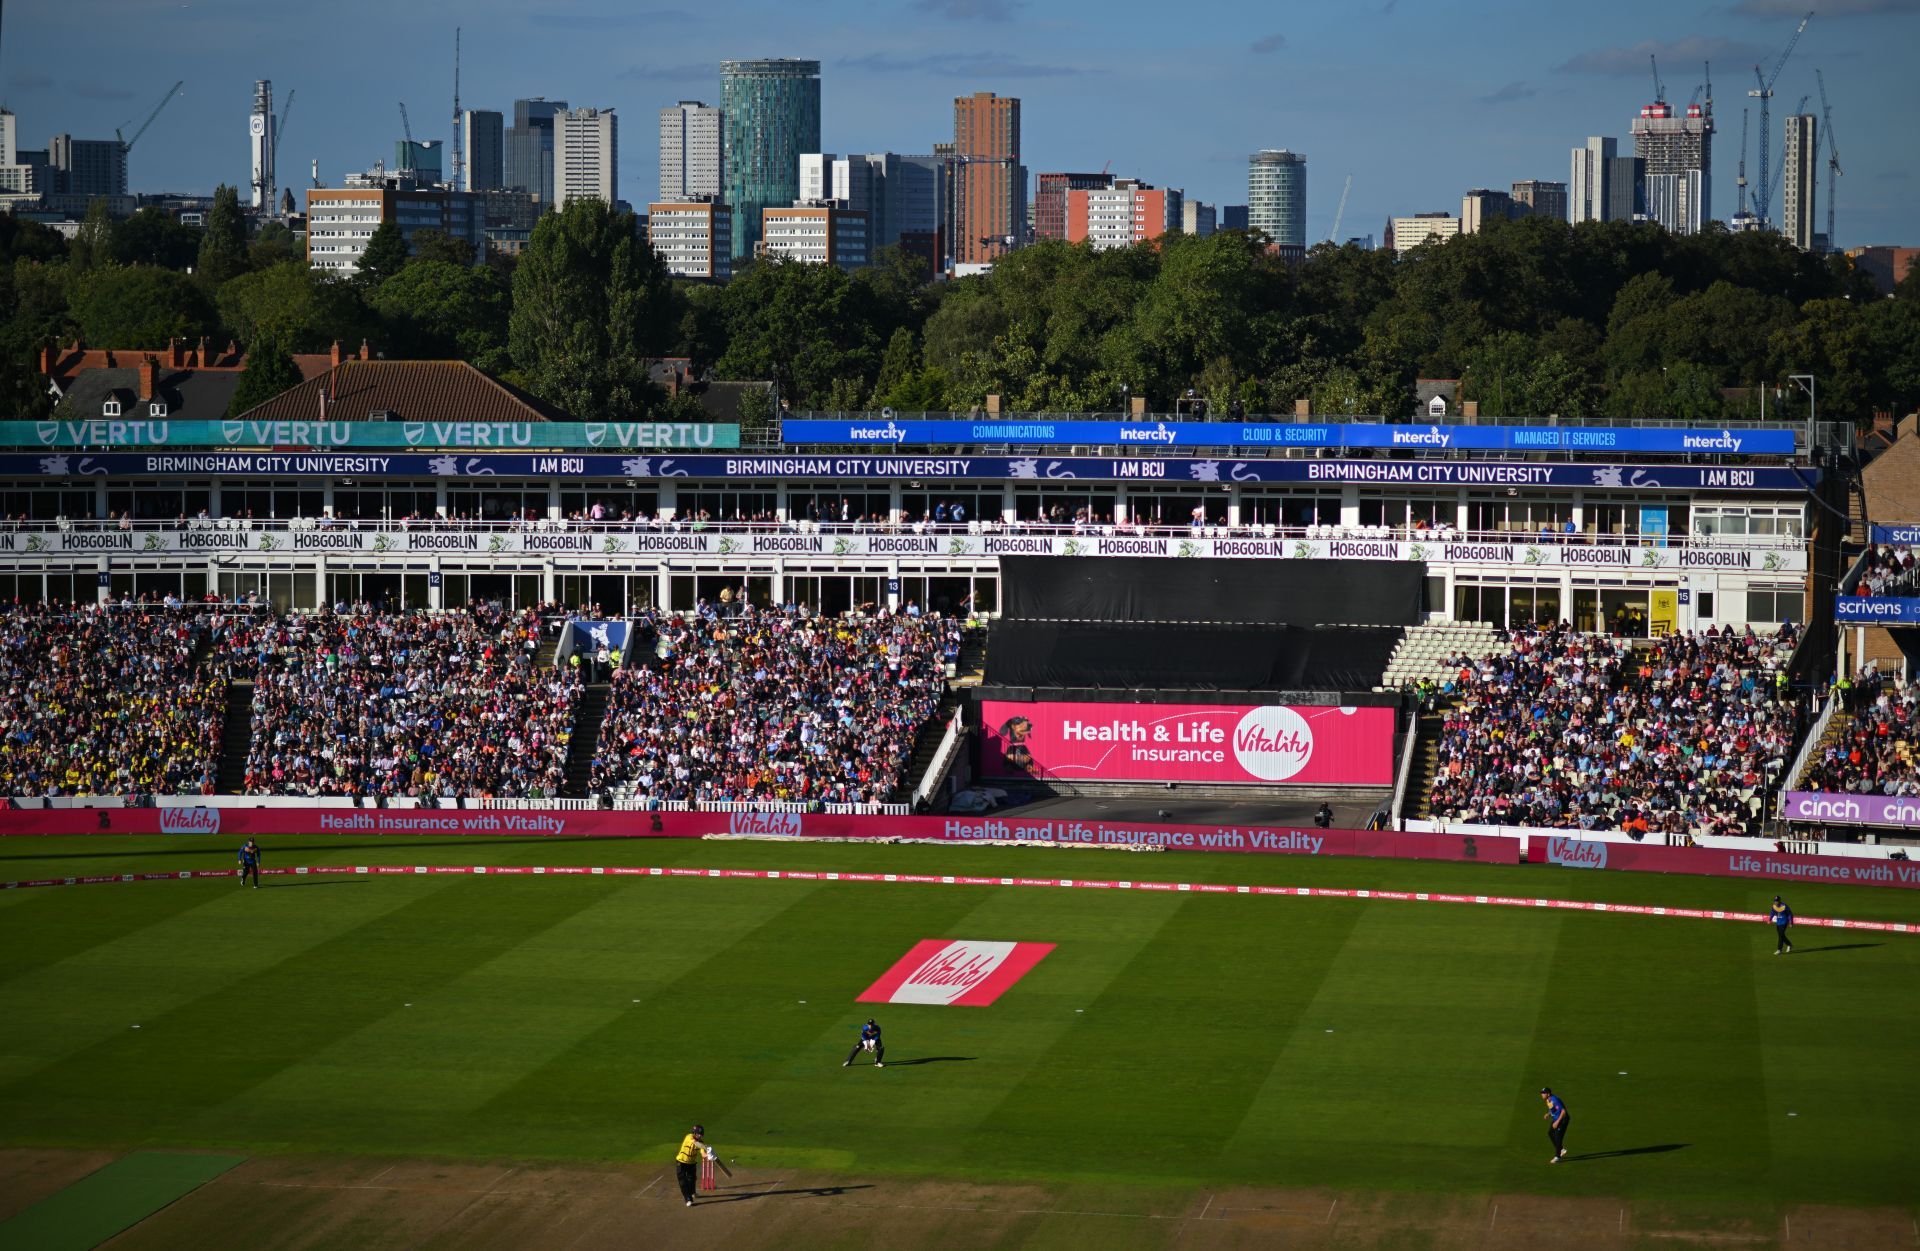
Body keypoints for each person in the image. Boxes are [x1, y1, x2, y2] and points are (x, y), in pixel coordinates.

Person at [674, 1124, 715, 1207]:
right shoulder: (689, 1137)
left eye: (701, 1134)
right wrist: (705, 1146)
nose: (700, 1135)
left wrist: (709, 1156)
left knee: (692, 1179)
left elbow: (703, 1154)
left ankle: (693, 1192)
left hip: (691, 1163)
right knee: (683, 1182)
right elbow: (695, 1143)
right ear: (694, 1133)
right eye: (698, 1134)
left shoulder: (701, 1143)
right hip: (681, 1162)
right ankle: (688, 1199)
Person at [1540, 1087, 1570, 1162]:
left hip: (1562, 1119)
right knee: (1550, 1133)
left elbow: (1563, 1111)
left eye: (1543, 1093)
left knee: (1557, 1136)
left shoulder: (1554, 1100)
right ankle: (1561, 1149)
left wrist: (1557, 1122)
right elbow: (1553, 1109)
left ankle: (1557, 1156)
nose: (1542, 1095)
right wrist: (1548, 1114)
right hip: (1556, 1118)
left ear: (1548, 1094)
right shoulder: (1548, 1100)